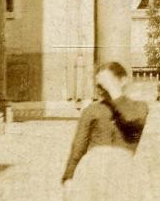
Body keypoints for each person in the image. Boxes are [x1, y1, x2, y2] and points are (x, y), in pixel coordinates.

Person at [61, 62, 149, 200]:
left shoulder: (139, 107)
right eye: (101, 85)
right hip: (92, 171)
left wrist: (114, 91)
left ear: (123, 80)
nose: (103, 89)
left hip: (123, 172)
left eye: (108, 83)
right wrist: (68, 178)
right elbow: (78, 147)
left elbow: (131, 119)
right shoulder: (91, 110)